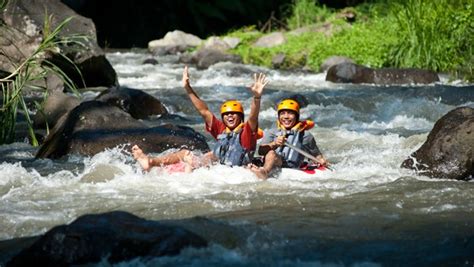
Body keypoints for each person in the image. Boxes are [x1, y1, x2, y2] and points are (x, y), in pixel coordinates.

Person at [132, 66, 268, 172]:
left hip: (235, 174)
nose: (230, 116)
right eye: (226, 114)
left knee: (201, 158)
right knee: (186, 154)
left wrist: (257, 97)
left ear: (240, 117)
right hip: (220, 172)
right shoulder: (222, 130)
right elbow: (204, 111)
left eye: (234, 114)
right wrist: (188, 88)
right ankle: (151, 162)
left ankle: (168, 166)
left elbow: (253, 117)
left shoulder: (246, 134)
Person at [249, 98, 328, 179]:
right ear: (279, 116)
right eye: (282, 113)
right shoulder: (271, 132)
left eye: (290, 113)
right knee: (271, 153)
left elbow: (316, 155)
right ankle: (264, 172)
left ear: (296, 116)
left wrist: (322, 161)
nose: (286, 117)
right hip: (275, 163)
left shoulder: (305, 135)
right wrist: (275, 144)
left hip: (294, 167)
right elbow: (261, 151)